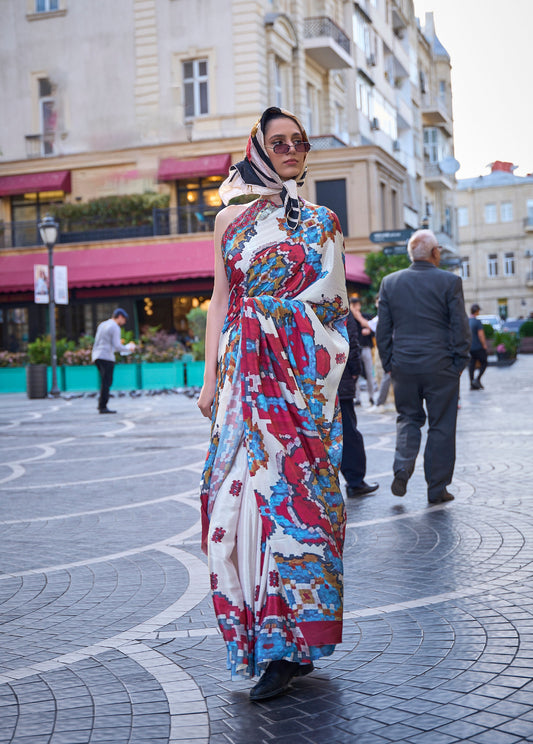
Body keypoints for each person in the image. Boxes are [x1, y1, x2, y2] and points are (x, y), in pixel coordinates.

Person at [197, 107, 348, 702]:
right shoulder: (229, 218)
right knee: (238, 508)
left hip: (301, 387)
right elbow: (219, 298)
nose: (289, 149)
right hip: (242, 386)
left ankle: (294, 645)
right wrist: (210, 379)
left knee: (304, 510)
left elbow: (332, 312)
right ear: (257, 147)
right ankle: (270, 640)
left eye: (298, 141)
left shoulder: (322, 222)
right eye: (277, 141)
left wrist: (279, 321)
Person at [376, 229, 471, 504]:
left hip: (404, 365)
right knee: (441, 426)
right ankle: (437, 488)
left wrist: (389, 364)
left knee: (408, 418)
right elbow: (459, 326)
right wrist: (460, 361)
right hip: (441, 366)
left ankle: (402, 469)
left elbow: (384, 330)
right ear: (435, 252)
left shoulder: (390, 283)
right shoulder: (450, 281)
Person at [339, 310, 379, 497]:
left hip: (309, 382)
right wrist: (354, 371)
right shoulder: (339, 307)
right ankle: (355, 482)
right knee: (348, 432)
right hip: (340, 379)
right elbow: (351, 342)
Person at [91, 308, 135, 414]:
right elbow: (117, 346)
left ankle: (101, 404)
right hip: (107, 356)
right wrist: (129, 348)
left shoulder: (103, 324)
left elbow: (98, 342)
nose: (124, 323)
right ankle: (103, 406)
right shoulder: (115, 327)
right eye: (124, 320)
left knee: (104, 381)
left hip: (97, 355)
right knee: (107, 382)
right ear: (119, 317)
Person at [350, 297, 376, 406]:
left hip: (365, 347)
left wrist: (368, 330)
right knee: (354, 373)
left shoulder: (366, 317)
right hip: (354, 348)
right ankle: (357, 397)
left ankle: (372, 396)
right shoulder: (349, 319)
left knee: (369, 372)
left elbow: (374, 328)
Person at [469, 303, 488, 390]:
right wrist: (484, 345)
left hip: (469, 347)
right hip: (478, 347)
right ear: (477, 311)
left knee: (472, 364)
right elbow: (481, 335)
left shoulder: (467, 321)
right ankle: (477, 379)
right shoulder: (477, 321)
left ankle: (472, 383)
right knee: (484, 362)